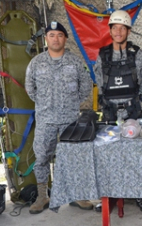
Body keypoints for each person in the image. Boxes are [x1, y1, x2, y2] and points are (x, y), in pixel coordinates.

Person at [24, 21, 93, 214]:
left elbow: (86, 86)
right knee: (42, 158)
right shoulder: (36, 63)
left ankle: (77, 195)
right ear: (46, 39)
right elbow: (30, 88)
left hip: (69, 120)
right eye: (52, 35)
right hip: (45, 120)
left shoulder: (75, 62)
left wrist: (72, 104)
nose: (56, 39)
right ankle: (42, 196)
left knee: (73, 158)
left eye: (60, 35)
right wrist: (45, 105)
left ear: (65, 39)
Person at [93, 9, 142, 213]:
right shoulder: (102, 54)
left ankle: (140, 195)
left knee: (137, 156)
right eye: (115, 27)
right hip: (110, 114)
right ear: (110, 30)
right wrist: (107, 102)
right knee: (108, 157)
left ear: (128, 30)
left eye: (122, 28)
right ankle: (108, 196)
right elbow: (99, 81)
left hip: (132, 113)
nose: (118, 31)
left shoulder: (138, 54)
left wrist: (136, 101)